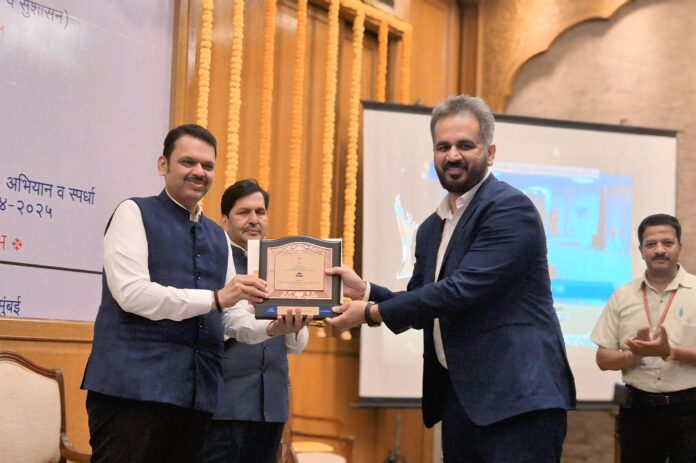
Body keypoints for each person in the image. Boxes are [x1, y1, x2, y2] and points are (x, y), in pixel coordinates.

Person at [326, 95, 576, 462]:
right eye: (443, 147)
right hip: (462, 401)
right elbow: (424, 302)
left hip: (518, 402)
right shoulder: (432, 227)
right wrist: (366, 291)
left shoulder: (509, 208)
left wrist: (369, 313)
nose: (453, 156)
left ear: (490, 153)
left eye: (465, 145)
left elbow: (461, 290)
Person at [81, 125, 307, 463]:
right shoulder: (134, 212)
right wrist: (214, 299)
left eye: (208, 166)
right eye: (188, 162)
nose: (199, 172)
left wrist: (274, 328)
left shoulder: (217, 236)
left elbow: (231, 319)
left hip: (196, 398)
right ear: (163, 165)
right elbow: (132, 293)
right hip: (132, 391)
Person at [197, 179, 309, 463]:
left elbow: (295, 347)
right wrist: (250, 304)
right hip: (225, 405)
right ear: (225, 220)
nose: (254, 220)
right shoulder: (211, 262)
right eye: (243, 212)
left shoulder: (281, 266)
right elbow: (209, 325)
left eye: (260, 212)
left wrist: (297, 320)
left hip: (271, 407)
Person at [592, 214, 696, 463]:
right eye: (651, 244)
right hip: (639, 411)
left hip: (691, 410)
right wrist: (633, 356)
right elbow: (603, 359)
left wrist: (669, 351)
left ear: (679, 246)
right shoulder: (623, 296)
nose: (659, 250)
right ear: (641, 251)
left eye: (667, 243)